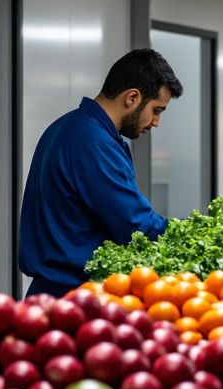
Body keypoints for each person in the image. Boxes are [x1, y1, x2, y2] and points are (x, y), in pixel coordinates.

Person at [19, 49, 181, 298]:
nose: (155, 122)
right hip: (73, 296)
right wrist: (189, 236)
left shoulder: (69, 126)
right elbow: (134, 224)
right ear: (132, 98)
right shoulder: (94, 142)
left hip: (55, 290)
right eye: (156, 110)